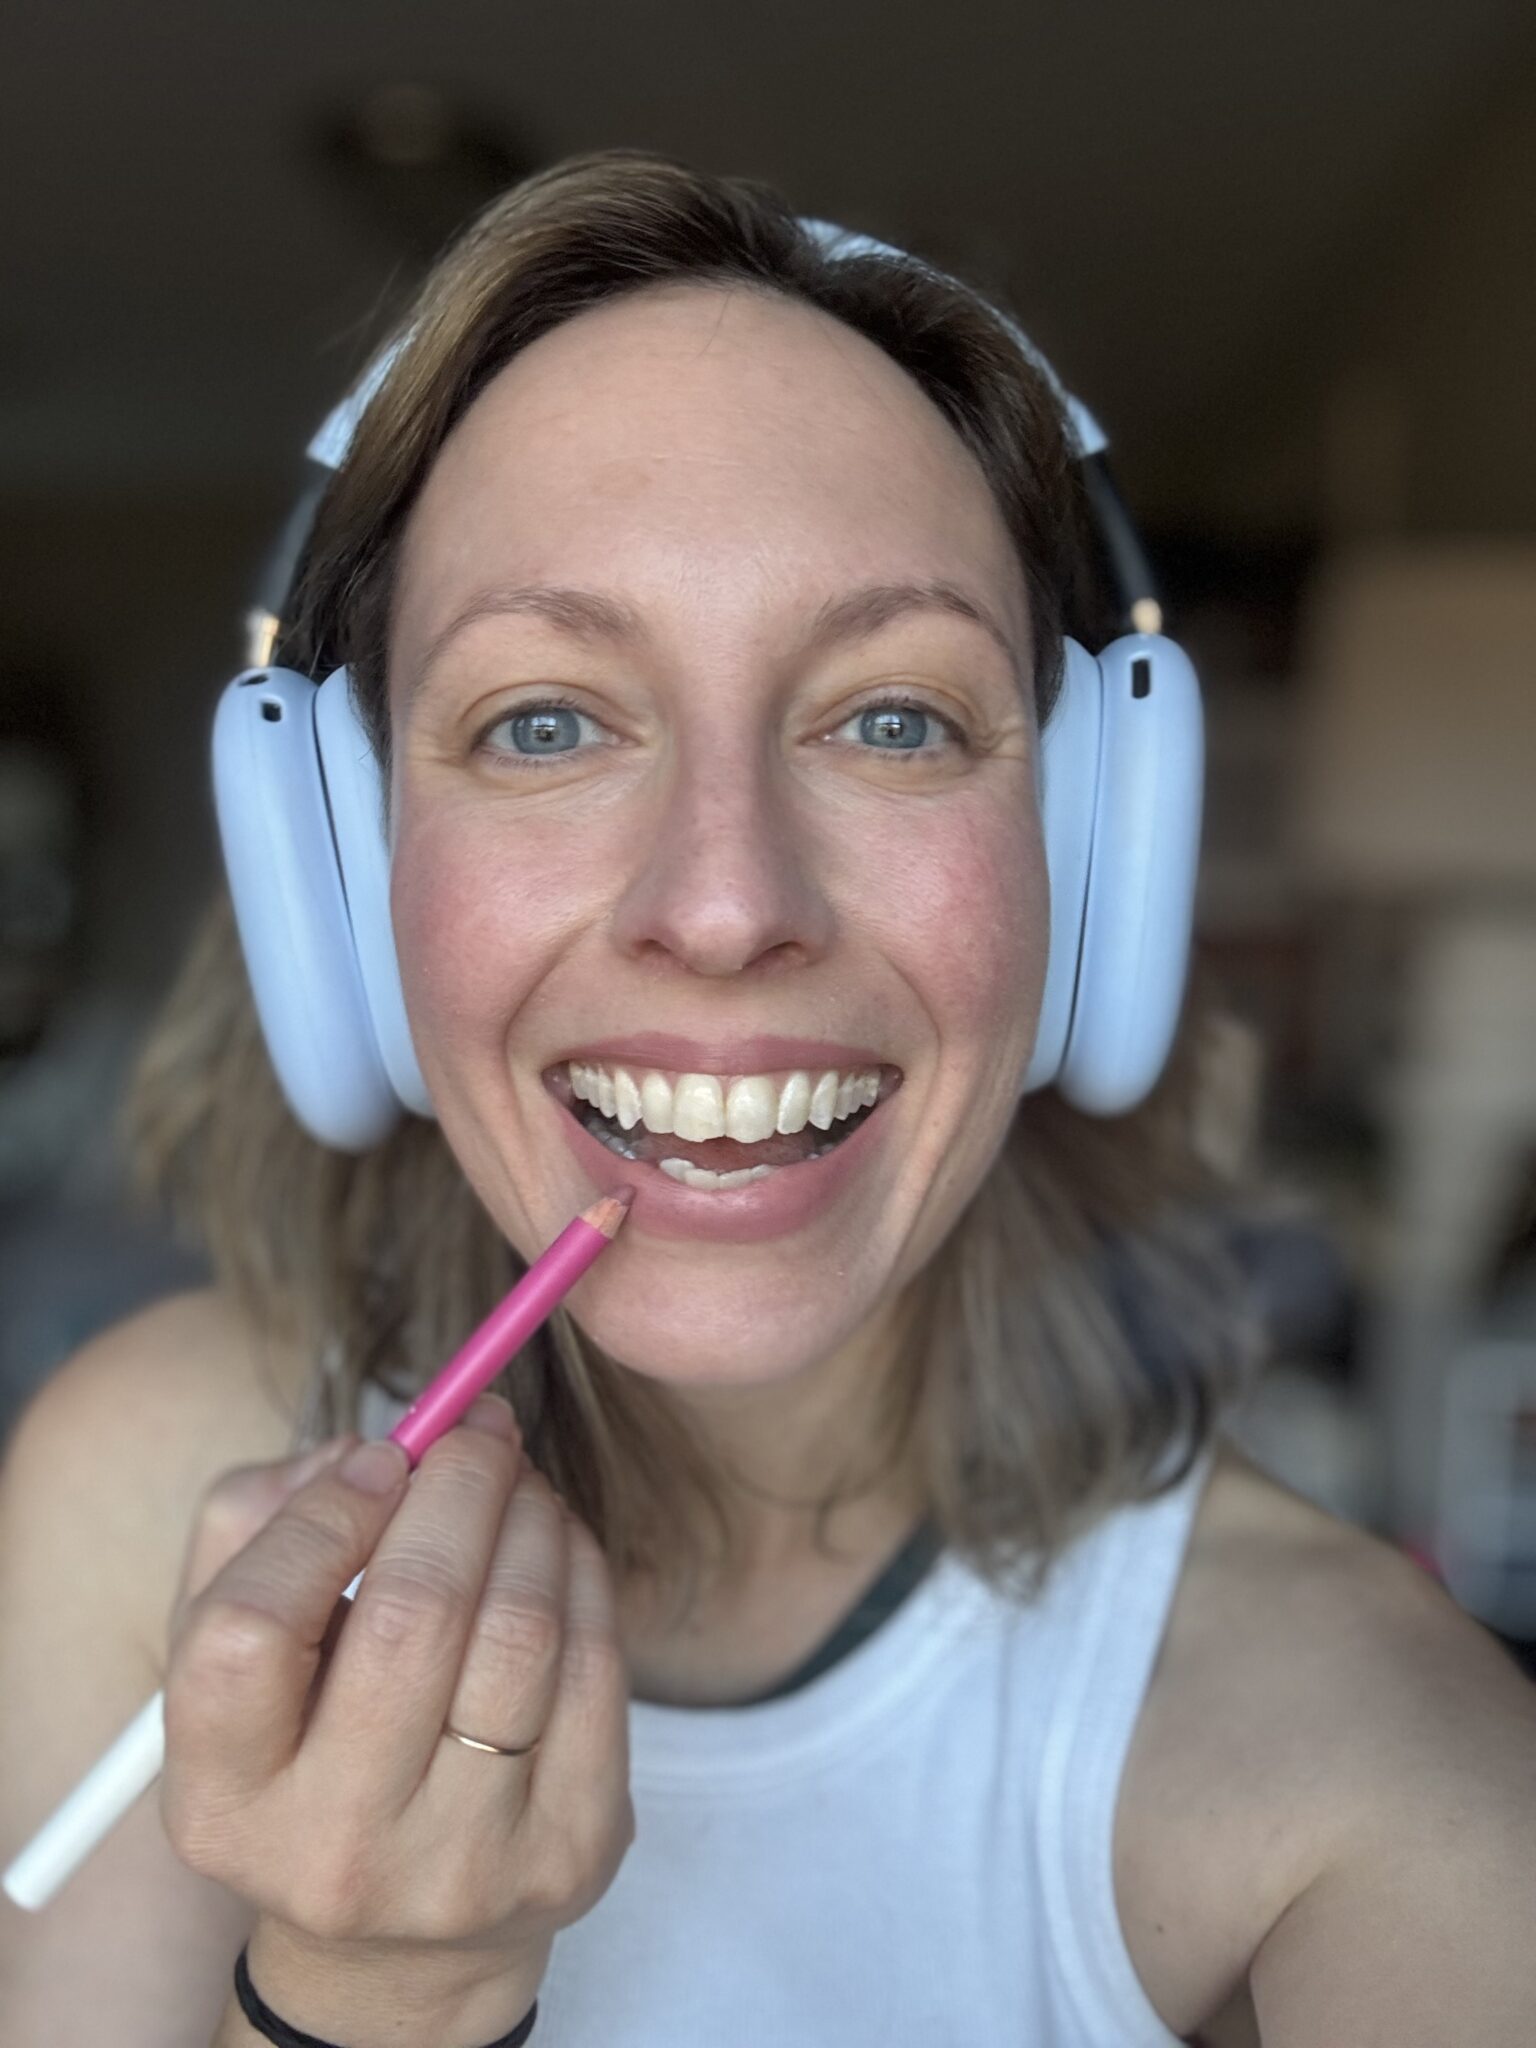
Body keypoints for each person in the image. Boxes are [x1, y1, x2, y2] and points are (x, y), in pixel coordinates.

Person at [2, 149, 1533, 2048]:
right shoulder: (138, 1500)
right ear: (340, 872)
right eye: (543, 720)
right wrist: (363, 2002)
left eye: (893, 717)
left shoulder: (1408, 1789)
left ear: (1084, 857)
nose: (725, 905)